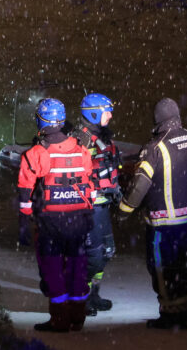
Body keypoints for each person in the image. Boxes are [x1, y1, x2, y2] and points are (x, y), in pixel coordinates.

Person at [119, 97, 187, 330]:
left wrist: (124, 210)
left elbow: (140, 185)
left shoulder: (154, 148)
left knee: (163, 268)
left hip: (164, 224)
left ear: (157, 120)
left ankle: (170, 314)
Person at [18, 97, 97, 333]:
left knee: (52, 269)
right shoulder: (82, 149)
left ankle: (59, 319)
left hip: (51, 223)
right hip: (79, 221)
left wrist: (25, 220)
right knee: (77, 267)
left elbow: (24, 192)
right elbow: (90, 185)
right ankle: (77, 316)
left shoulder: (36, 153)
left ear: (39, 120)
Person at [67, 93, 122, 316]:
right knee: (92, 256)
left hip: (102, 206)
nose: (110, 115)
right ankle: (80, 297)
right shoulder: (80, 139)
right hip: (87, 209)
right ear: (94, 113)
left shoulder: (103, 138)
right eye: (106, 111)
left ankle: (93, 294)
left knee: (107, 252)